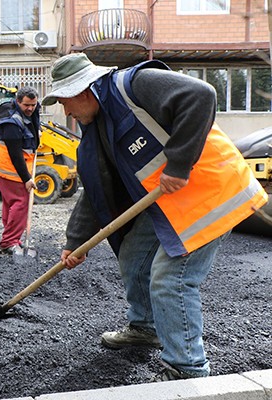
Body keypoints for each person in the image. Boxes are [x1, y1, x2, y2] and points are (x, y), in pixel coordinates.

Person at [42, 53, 268, 382]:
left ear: (84, 89)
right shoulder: (97, 130)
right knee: (134, 257)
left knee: (170, 279)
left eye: (65, 101)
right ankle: (145, 327)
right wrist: (76, 242)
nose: (66, 112)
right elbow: (95, 190)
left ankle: (187, 369)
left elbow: (201, 96)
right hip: (169, 202)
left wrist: (178, 165)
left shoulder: (135, 85)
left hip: (211, 193)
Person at [0, 86, 40, 254]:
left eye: (33, 105)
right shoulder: (11, 123)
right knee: (21, 202)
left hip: (5, 166)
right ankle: (9, 241)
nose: (30, 109)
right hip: (10, 168)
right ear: (18, 101)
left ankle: (12, 238)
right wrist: (27, 179)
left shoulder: (29, 111)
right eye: (27, 105)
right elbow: (15, 155)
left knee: (11, 202)